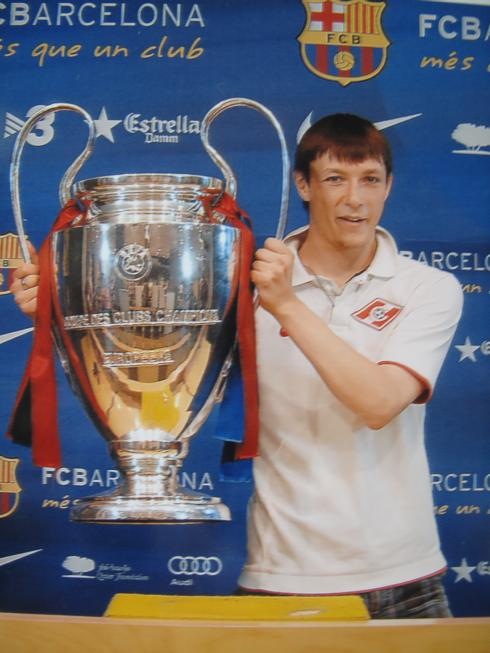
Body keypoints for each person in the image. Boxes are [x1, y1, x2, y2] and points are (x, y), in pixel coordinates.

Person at [11, 114, 463, 619]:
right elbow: (153, 360)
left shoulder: (427, 288)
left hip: (406, 582)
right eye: (335, 178)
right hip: (278, 579)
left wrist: (285, 304)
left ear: (389, 186)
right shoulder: (232, 284)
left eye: (370, 179)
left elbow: (379, 403)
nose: (355, 199)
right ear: (303, 184)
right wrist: (66, 314)